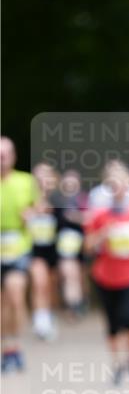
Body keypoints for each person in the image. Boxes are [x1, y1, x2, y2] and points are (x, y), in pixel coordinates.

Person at [84, 161, 129, 384]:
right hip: (105, 275)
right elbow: (87, 246)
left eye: (121, 182)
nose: (117, 187)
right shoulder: (99, 214)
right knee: (112, 322)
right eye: (112, 183)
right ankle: (116, 365)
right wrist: (103, 234)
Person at [0, 137, 38, 372]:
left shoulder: (26, 181)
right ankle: (6, 348)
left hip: (18, 245)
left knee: (15, 295)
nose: (1, 160)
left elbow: (40, 207)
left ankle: (17, 346)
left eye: (4, 155)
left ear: (13, 157)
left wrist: (31, 213)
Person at [29, 162, 60, 341]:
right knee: (39, 283)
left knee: (51, 286)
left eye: (46, 176)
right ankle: (40, 322)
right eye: (38, 176)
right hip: (34, 249)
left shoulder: (59, 200)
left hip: (54, 250)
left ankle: (48, 314)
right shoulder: (27, 198)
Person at [54, 169, 87, 319]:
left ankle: (80, 301)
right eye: (67, 182)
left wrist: (76, 217)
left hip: (82, 244)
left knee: (80, 276)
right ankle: (73, 304)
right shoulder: (57, 200)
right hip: (64, 244)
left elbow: (91, 218)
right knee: (69, 274)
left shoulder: (84, 199)